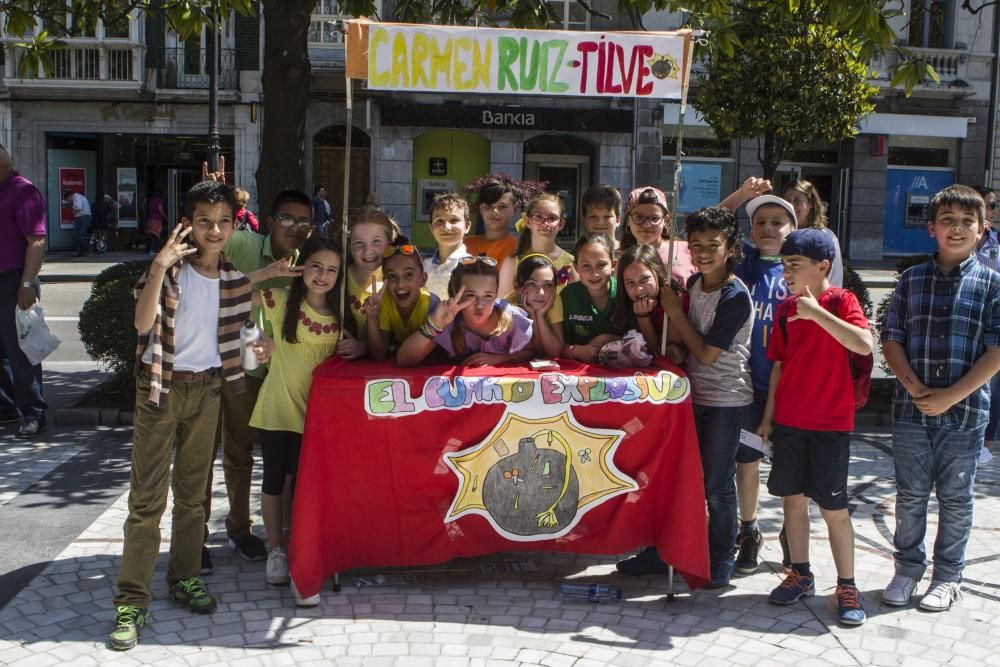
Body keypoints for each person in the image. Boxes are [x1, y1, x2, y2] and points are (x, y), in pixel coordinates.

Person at [110, 181, 252, 651]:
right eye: (204, 221)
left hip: (208, 390)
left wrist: (260, 348)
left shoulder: (233, 280)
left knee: (193, 497)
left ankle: (185, 577)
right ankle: (132, 600)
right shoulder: (170, 272)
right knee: (146, 501)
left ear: (233, 226)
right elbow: (141, 323)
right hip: (162, 390)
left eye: (224, 221)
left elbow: (240, 337)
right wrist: (158, 265)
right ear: (188, 223)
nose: (215, 230)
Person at [880, 184, 1000, 613]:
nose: (957, 228)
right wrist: (914, 387)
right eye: (948, 220)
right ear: (931, 227)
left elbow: (996, 351)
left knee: (955, 498)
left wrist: (951, 396)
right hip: (911, 411)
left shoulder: (992, 284)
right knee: (911, 495)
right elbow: (891, 338)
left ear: (982, 230)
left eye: (968, 221)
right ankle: (907, 569)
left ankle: (948, 577)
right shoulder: (911, 280)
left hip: (964, 414)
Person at [620, 208, 754, 589]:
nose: (704, 253)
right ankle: (664, 549)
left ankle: (721, 554)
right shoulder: (693, 284)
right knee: (677, 479)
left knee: (716, 485)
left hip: (726, 401)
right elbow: (685, 343)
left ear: (731, 248)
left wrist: (674, 314)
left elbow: (707, 353)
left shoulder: (735, 296)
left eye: (713, 245)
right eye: (696, 245)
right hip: (689, 396)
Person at [758, 227, 872, 626]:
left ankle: (847, 585)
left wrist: (818, 314)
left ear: (822, 266)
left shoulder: (842, 301)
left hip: (831, 423)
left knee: (833, 508)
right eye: (783, 265)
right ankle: (800, 573)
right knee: (792, 500)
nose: (786, 272)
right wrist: (768, 417)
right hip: (790, 421)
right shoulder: (785, 309)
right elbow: (779, 365)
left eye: (795, 264)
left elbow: (863, 343)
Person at [201, 190, 315, 574]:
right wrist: (218, 203)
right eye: (287, 219)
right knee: (207, 455)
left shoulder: (306, 265)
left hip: (264, 373)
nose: (295, 228)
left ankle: (240, 529)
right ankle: (195, 537)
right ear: (269, 222)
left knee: (244, 454)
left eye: (304, 222)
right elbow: (206, 241)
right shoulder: (244, 244)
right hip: (219, 364)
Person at [250, 235, 349, 608]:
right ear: (301, 266)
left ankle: (301, 547)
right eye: (316, 266)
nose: (322, 276)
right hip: (277, 408)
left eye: (332, 270)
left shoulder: (343, 315)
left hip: (319, 419)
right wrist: (257, 336)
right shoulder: (279, 300)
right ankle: (276, 549)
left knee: (306, 485)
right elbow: (226, 294)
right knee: (274, 480)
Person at [732, 194, 797, 575]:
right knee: (747, 461)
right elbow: (710, 224)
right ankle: (749, 530)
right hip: (746, 384)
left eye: (778, 222)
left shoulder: (798, 270)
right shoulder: (744, 264)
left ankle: (792, 532)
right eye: (760, 222)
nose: (768, 229)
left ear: (793, 228)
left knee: (789, 465)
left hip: (790, 387)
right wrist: (742, 194)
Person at [396, 256, 534, 367]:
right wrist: (435, 324)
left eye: (488, 296)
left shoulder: (510, 317)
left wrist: (499, 359)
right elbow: (404, 360)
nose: (480, 305)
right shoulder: (448, 321)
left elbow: (529, 351)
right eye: (470, 295)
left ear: (496, 295)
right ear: (456, 293)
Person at [0, 144, 47, 437]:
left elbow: (37, 241)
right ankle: (6, 409)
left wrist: (27, 283)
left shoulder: (23, 191)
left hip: (13, 280)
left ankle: (33, 413)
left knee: (20, 351)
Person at [364, 241, 439, 360]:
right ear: (384, 282)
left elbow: (433, 355)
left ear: (423, 279)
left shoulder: (432, 305)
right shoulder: (383, 302)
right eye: (392, 276)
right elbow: (378, 354)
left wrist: (395, 349)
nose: (400, 284)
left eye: (408, 274)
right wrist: (372, 317)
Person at [498, 193, 578, 296]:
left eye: (552, 218)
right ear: (527, 221)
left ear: (561, 224)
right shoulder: (513, 262)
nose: (545, 223)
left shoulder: (570, 264)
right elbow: (503, 303)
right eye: (538, 217)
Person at [559, 232, 620, 362]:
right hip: (577, 369)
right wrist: (576, 351)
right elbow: (556, 346)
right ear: (576, 268)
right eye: (586, 266)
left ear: (613, 265)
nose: (594, 273)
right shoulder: (568, 296)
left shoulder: (624, 293)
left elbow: (643, 342)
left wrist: (607, 339)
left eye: (601, 265)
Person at [344, 206, 395, 359]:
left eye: (376, 242)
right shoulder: (336, 277)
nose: (368, 251)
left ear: (389, 244)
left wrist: (364, 347)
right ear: (349, 246)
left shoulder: (397, 282)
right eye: (359, 243)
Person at [620, 186, 695, 284]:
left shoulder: (687, 250)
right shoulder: (622, 259)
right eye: (639, 217)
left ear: (666, 220)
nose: (647, 225)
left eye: (654, 218)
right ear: (628, 220)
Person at [973, 185, 999, 466]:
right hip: (968, 322)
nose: (993, 210)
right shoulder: (960, 240)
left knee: (993, 385)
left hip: (993, 322)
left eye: (995, 205)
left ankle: (986, 445)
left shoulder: (997, 243)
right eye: (989, 205)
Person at [783, 179, 843, 287]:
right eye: (787, 201)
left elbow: (835, 278)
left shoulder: (827, 237)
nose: (791, 205)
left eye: (797, 200)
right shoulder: (779, 235)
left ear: (811, 203)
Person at [507, 253, 564, 358]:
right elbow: (534, 352)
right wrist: (531, 315)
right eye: (532, 284)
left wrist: (539, 316)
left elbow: (555, 353)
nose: (541, 293)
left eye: (548, 285)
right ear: (517, 286)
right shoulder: (509, 306)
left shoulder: (554, 301)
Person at [424, 193, 473, 300]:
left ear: (467, 226)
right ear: (431, 228)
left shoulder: (472, 267)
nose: (446, 227)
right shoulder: (423, 267)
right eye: (439, 221)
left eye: (454, 220)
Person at [465, 178, 519, 264]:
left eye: (502, 206)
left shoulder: (518, 249)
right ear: (480, 208)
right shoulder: (463, 245)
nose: (494, 212)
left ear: (514, 209)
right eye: (488, 206)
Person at [63, 188, 92, 256]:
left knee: (79, 234)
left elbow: (78, 207)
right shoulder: (79, 197)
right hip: (83, 217)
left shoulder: (76, 197)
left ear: (69, 196)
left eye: (68, 199)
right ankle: (82, 250)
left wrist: (72, 208)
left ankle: (86, 248)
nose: (69, 201)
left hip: (82, 217)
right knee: (78, 234)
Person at [145, 190, 166, 255]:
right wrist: (165, 216)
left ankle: (148, 249)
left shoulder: (151, 200)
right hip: (157, 219)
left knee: (151, 235)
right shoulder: (159, 200)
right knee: (156, 235)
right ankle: (153, 249)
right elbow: (160, 209)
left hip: (150, 219)